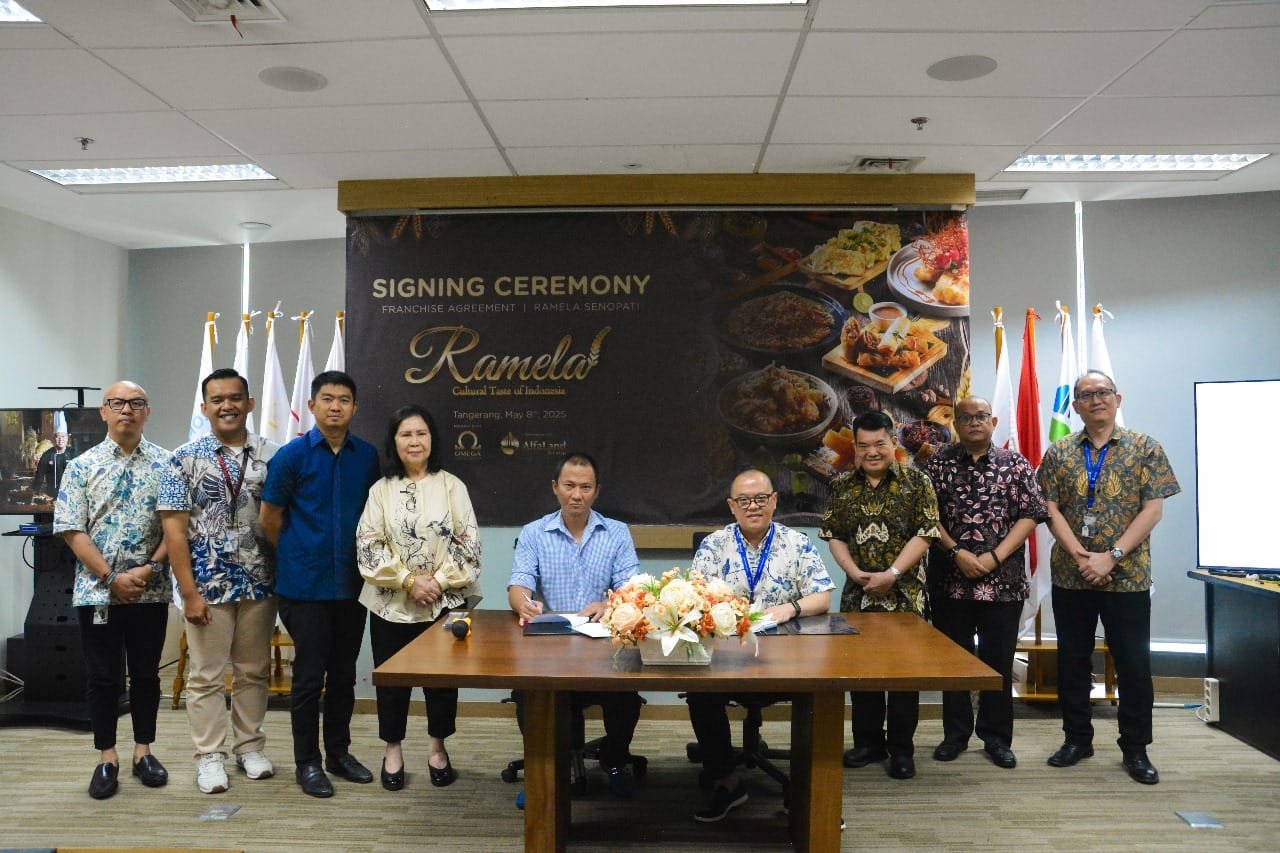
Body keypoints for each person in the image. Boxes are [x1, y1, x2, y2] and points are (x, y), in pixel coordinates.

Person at [1037, 370, 1180, 785]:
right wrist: (1080, 554)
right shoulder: (1060, 451)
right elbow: (1050, 508)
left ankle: (1135, 749)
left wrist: (1112, 556)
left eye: (1102, 393)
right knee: (1073, 661)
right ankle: (1077, 739)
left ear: (1118, 398)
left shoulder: (1145, 448)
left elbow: (1152, 510)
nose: (1095, 400)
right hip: (1072, 575)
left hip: (1127, 577)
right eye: (1085, 395)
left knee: (1134, 665)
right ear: (1076, 405)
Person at [685, 469, 834, 823]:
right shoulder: (714, 545)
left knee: (819, 694)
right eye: (744, 501)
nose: (753, 506)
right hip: (726, 656)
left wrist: (790, 609)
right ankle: (727, 780)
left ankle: (804, 791)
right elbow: (694, 599)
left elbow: (823, 595)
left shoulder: (796, 543)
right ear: (732, 507)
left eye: (760, 499)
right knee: (699, 692)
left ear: (774, 501)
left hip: (786, 658)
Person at [157, 368, 280, 794]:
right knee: (206, 675)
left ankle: (250, 747)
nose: (227, 405)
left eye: (235, 398)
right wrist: (187, 591)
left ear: (249, 403)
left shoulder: (273, 455)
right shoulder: (182, 459)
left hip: (261, 582)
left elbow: (283, 517)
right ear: (205, 407)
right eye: (218, 399)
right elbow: (174, 532)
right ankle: (210, 756)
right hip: (207, 585)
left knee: (253, 670)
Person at [259, 370, 381, 798]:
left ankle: (339, 754)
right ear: (311, 406)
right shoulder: (291, 456)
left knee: (344, 675)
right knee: (309, 679)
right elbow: (268, 520)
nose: (335, 406)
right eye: (327, 399)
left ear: (354, 408)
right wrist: (297, 554)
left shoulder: (366, 457)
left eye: (344, 399)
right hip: (303, 588)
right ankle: (307, 763)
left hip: (351, 586)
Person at [53, 381, 171, 800]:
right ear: (103, 412)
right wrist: (110, 578)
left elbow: (178, 526)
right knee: (103, 678)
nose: (127, 410)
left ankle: (144, 752)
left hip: (149, 592)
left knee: (144, 675)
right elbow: (72, 530)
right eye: (118, 403)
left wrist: (150, 568)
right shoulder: (80, 467)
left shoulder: (167, 464)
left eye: (136, 403)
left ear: (147, 411)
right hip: (97, 593)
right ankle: (107, 757)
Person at [356, 404, 481, 792]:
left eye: (421, 433)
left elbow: (470, 544)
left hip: (444, 605)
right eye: (406, 434)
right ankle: (392, 750)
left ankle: (437, 748)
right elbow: (368, 545)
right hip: (391, 605)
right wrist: (410, 580)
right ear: (394, 442)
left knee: (442, 682)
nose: (415, 441)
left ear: (432, 439)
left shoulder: (452, 485)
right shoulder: (380, 490)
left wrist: (438, 582)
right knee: (392, 682)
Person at [507, 452, 643, 800]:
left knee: (626, 694)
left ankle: (615, 760)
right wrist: (524, 602)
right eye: (569, 486)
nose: (577, 495)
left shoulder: (616, 533)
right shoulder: (534, 533)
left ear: (597, 491)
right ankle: (546, 770)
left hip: (603, 646)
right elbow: (519, 583)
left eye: (585, 487)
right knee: (529, 693)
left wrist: (609, 603)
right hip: (550, 646)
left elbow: (632, 588)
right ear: (555, 488)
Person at [922, 396, 1048, 769]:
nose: (974, 423)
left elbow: (1030, 514)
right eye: (966, 418)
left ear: (993, 421)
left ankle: (995, 737)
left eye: (981, 417)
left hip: (1003, 584)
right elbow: (927, 516)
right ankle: (955, 734)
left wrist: (994, 556)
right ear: (956, 424)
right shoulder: (937, 464)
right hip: (950, 582)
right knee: (954, 663)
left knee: (998, 663)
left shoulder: (1016, 464)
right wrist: (957, 552)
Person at [820, 410, 940, 781]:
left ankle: (902, 749)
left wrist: (892, 574)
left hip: (906, 594)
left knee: (904, 676)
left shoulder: (917, 481)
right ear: (854, 448)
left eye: (879, 444)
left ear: (892, 442)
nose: (872, 451)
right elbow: (833, 533)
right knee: (861, 672)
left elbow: (927, 532)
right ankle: (868, 742)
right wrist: (853, 572)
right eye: (864, 445)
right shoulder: (842, 486)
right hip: (859, 595)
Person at [32, 423, 72, 500]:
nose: (61, 439)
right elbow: (39, 476)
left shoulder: (74, 454)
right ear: (54, 439)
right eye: (58, 436)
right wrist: (35, 492)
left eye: (63, 436)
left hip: (70, 495)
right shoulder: (46, 455)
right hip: (50, 496)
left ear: (67, 438)